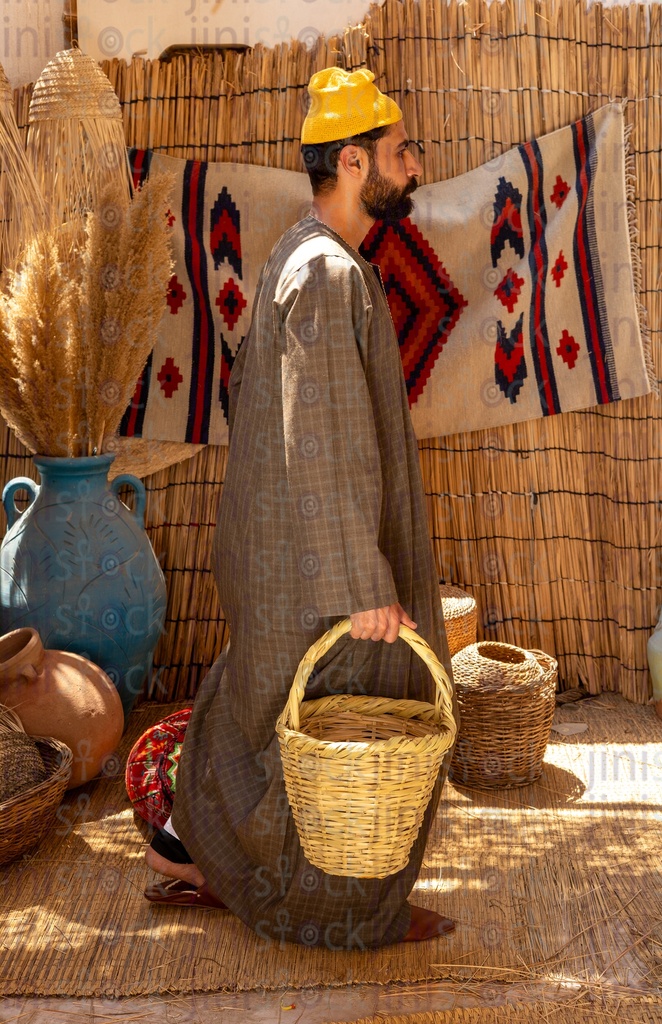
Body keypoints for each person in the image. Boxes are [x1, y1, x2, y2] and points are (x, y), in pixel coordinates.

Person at [143, 67, 457, 948]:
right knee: (336, 723)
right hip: (315, 561)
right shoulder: (323, 272)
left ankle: (199, 850)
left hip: (284, 546)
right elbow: (319, 435)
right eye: (401, 150)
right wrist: (362, 580)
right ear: (353, 162)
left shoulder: (303, 254)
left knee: (267, 714)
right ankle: (332, 906)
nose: (415, 165)